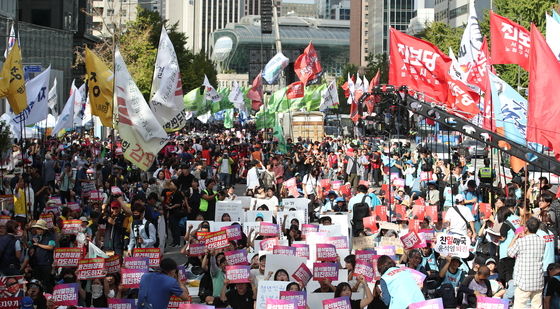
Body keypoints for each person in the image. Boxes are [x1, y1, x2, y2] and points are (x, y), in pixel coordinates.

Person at [508, 217, 546, 309]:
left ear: (526, 228)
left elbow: (510, 253)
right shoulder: (542, 241)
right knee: (537, 306)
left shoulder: (521, 241)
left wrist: (515, 239)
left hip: (523, 281)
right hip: (538, 280)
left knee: (519, 306)